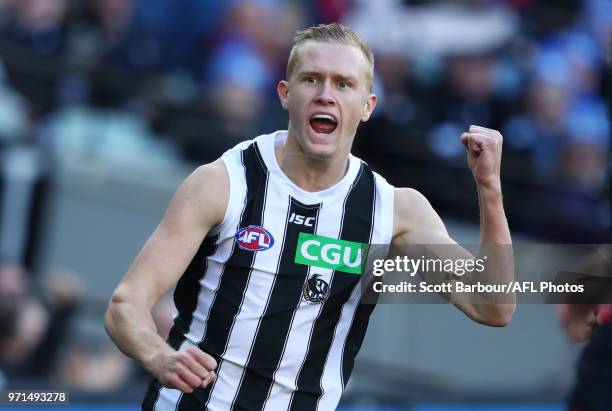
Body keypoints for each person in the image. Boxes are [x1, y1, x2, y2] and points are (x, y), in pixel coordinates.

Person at [104, 23, 515, 411]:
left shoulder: (392, 209)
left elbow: (492, 307)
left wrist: (490, 190)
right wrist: (160, 357)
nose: (325, 95)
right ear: (285, 93)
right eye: (311, 79)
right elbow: (125, 304)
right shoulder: (222, 183)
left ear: (367, 105)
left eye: (343, 84)